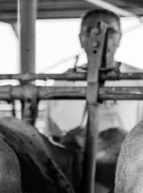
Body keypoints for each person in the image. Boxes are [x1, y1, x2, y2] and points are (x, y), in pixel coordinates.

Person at [44, 8, 143, 139]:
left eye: (110, 32)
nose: (100, 38)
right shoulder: (63, 81)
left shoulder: (138, 79)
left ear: (120, 38)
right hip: (74, 156)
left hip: (125, 156)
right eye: (90, 31)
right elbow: (52, 135)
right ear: (81, 39)